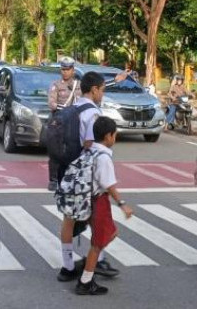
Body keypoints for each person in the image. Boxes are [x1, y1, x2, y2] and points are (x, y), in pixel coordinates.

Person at [58, 72, 119, 281]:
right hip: (85, 177)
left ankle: (67, 266)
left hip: (69, 169)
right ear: (94, 90)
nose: (103, 94)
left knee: (69, 219)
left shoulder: (74, 106)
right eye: (102, 89)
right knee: (97, 219)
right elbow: (92, 144)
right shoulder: (92, 113)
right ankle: (96, 260)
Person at [75, 117, 134, 295]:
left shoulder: (90, 149)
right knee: (98, 243)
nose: (114, 138)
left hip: (87, 199)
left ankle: (88, 266)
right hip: (98, 201)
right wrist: (123, 204)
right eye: (114, 135)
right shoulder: (103, 157)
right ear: (108, 136)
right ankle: (85, 281)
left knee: (109, 234)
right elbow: (108, 184)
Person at [47, 57, 82, 191]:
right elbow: (51, 102)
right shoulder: (56, 85)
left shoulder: (78, 85)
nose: (65, 72)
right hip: (59, 120)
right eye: (63, 69)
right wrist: (57, 106)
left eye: (68, 69)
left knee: (74, 149)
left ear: (73, 70)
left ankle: (72, 177)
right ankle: (53, 179)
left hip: (74, 121)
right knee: (55, 150)